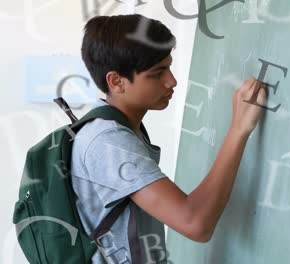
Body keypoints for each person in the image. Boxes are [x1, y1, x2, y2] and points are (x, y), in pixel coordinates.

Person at [70, 14, 267, 263]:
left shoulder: (113, 130)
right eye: (157, 73)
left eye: (169, 67)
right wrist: (239, 128)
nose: (171, 81)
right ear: (116, 81)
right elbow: (196, 223)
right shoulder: (109, 141)